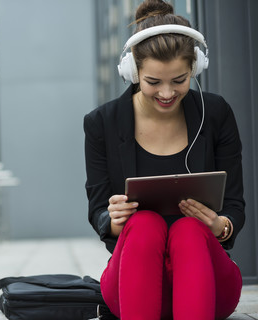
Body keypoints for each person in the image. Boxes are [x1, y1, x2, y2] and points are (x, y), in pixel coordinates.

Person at [83, 1, 245, 319]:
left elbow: (234, 206)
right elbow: (98, 210)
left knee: (189, 229)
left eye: (179, 80)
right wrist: (113, 221)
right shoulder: (102, 123)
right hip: (132, 283)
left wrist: (218, 225)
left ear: (195, 68)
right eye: (153, 82)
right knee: (142, 223)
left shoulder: (215, 114)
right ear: (133, 72)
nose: (167, 93)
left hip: (208, 281)